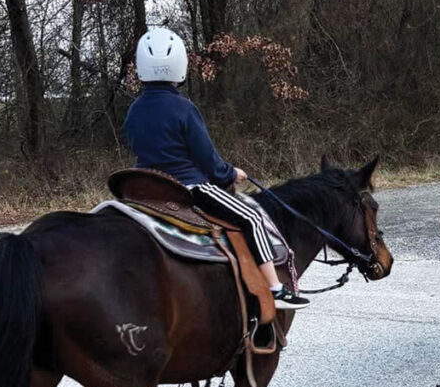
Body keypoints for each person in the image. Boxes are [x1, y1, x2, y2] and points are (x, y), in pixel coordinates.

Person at [124, 27, 309, 310]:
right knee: (252, 218)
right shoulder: (184, 108)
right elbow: (208, 161)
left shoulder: (134, 109)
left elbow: (137, 145)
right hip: (188, 187)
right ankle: (275, 290)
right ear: (180, 65)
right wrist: (231, 173)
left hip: (145, 186)